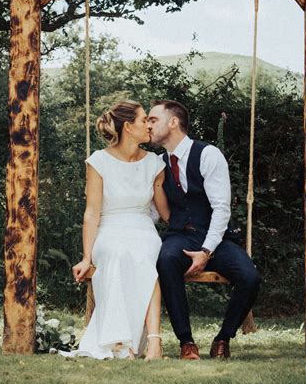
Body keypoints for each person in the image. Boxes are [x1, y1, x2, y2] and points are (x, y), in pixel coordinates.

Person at [148, 99, 261, 360]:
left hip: (216, 238)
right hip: (180, 235)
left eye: (153, 120)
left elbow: (221, 208)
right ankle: (186, 342)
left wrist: (206, 251)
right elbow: (154, 211)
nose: (148, 125)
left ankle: (223, 338)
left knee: (249, 277)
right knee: (166, 260)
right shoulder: (158, 163)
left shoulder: (208, 154)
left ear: (173, 122)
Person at [58, 100, 169, 361]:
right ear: (128, 127)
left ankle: (154, 342)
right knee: (117, 253)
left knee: (144, 255)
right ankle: (121, 341)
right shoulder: (99, 161)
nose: (149, 125)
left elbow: (165, 213)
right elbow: (92, 213)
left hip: (142, 228)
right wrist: (86, 257)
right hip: (109, 228)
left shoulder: (155, 164)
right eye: (144, 120)